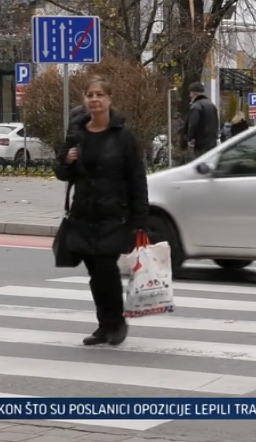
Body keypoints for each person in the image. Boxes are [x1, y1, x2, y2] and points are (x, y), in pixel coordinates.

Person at [53, 76, 150, 346]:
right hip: (83, 214)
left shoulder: (123, 136)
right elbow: (61, 173)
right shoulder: (76, 134)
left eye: (99, 95)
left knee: (106, 269)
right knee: (95, 274)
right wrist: (66, 160)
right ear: (85, 100)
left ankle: (116, 323)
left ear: (109, 100)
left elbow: (137, 178)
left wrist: (140, 219)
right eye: (90, 95)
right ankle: (102, 325)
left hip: (114, 215)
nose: (94, 99)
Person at [183, 82, 219, 158]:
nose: (190, 95)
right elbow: (216, 123)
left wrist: (190, 139)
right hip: (212, 142)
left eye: (190, 93)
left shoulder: (196, 106)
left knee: (200, 164)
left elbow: (193, 125)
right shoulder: (211, 105)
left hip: (201, 144)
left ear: (193, 93)